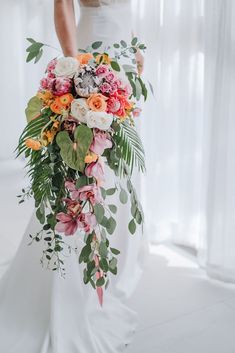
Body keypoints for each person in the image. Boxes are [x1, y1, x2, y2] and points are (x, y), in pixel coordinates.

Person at [0, 1, 145, 352]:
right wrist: (77, 70)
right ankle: (67, 283)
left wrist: (136, 46)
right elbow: (63, 5)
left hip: (122, 62)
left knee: (116, 171)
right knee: (81, 172)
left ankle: (105, 266)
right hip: (92, 63)